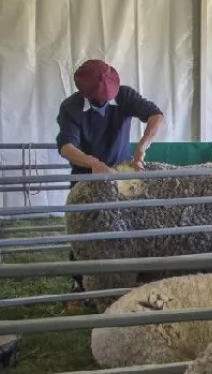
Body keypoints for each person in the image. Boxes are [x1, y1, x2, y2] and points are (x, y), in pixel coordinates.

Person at [55, 59, 164, 306]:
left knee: (126, 227)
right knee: (83, 231)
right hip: (86, 179)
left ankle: (128, 280)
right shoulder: (71, 107)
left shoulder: (124, 96)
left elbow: (156, 115)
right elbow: (66, 146)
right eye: (99, 97)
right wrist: (92, 163)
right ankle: (80, 284)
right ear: (86, 93)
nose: (105, 99)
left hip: (121, 175)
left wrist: (143, 146)